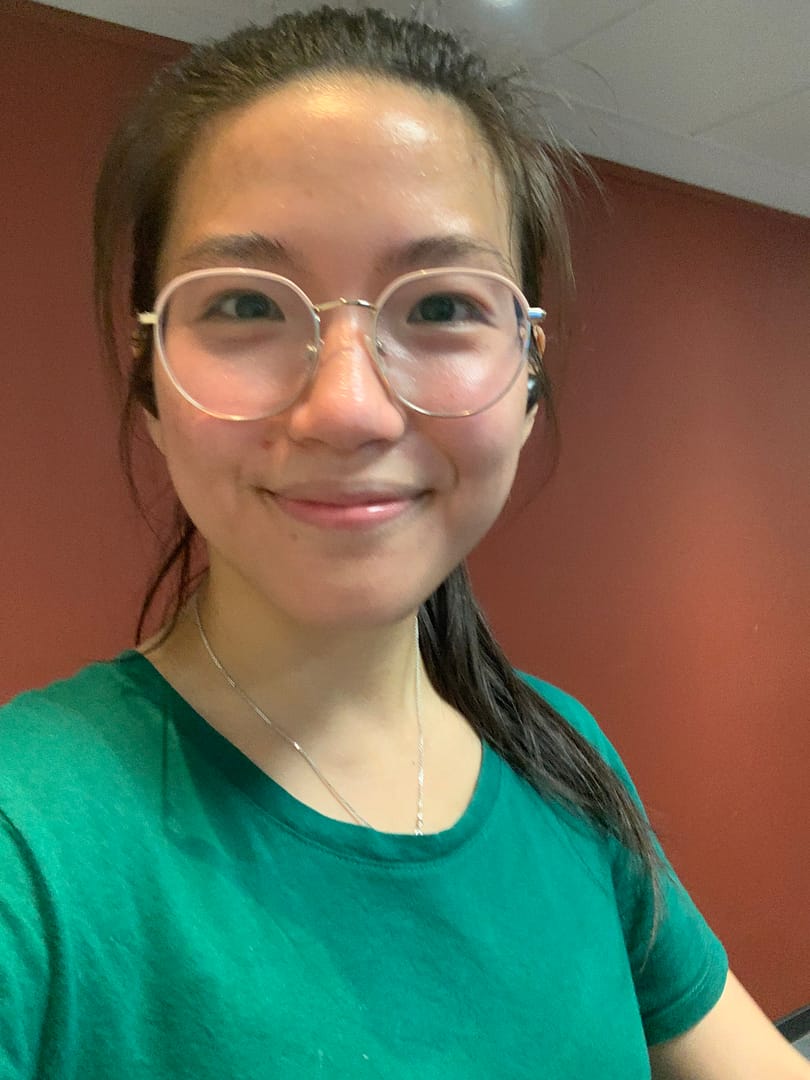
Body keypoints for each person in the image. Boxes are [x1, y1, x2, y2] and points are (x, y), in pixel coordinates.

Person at [1, 7, 806, 1078]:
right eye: (243, 303)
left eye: (439, 307)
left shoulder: (559, 756)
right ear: (153, 388)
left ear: (526, 384)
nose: (349, 410)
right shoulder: (32, 846)